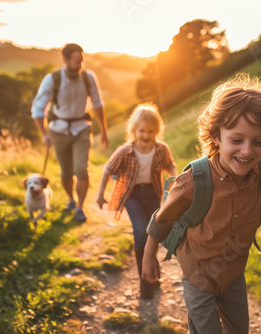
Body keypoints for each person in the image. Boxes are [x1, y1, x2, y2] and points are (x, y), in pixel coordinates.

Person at [142, 74, 261, 333]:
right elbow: (163, 218)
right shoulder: (193, 182)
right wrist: (148, 254)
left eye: (258, 142)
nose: (247, 151)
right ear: (216, 135)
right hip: (197, 274)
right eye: (236, 140)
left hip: (233, 276)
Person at [97, 103, 177, 298]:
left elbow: (170, 166)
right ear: (134, 130)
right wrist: (100, 194)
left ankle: (152, 271)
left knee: (154, 233)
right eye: (142, 131)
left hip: (152, 193)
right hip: (131, 195)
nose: (146, 135)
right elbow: (108, 169)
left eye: (150, 131)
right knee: (141, 228)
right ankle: (145, 283)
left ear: (157, 131)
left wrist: (176, 182)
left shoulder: (161, 149)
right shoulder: (126, 151)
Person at [31, 43, 109, 222]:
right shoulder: (52, 80)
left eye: (82, 61)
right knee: (66, 173)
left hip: (82, 128)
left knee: (82, 169)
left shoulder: (89, 78)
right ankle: (71, 200)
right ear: (65, 60)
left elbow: (98, 104)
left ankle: (80, 207)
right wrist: (44, 133)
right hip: (58, 130)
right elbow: (37, 108)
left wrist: (104, 130)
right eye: (76, 62)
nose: (80, 65)